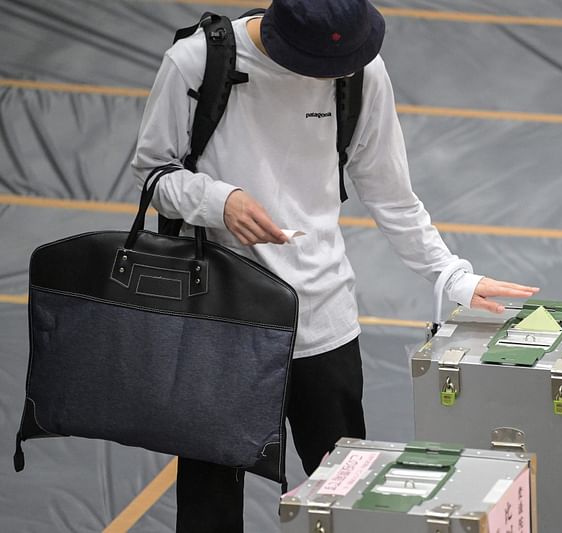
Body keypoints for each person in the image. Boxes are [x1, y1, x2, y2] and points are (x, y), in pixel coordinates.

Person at [132, 0, 540, 530]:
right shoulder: (195, 62)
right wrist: (218, 201)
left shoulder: (360, 69)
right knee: (209, 501)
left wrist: (453, 275)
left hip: (322, 320)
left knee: (351, 497)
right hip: (221, 321)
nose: (337, 74)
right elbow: (152, 172)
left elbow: (392, 195)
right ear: (283, 39)